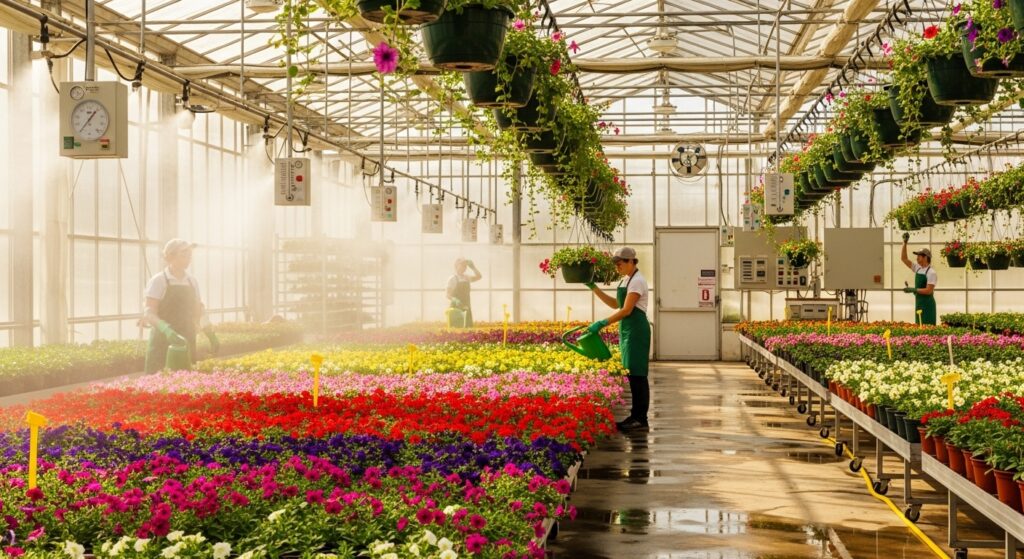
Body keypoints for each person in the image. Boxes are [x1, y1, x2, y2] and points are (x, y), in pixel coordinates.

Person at [586, 247, 651, 431]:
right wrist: (594, 288)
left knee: (638, 374)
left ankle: (640, 418)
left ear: (631, 261)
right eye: (615, 263)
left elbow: (626, 310)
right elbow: (616, 304)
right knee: (632, 373)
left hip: (636, 331)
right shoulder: (626, 280)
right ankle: (636, 416)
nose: (617, 267)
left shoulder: (637, 281)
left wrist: (601, 323)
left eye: (620, 263)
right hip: (628, 330)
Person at [143, 239, 218, 373]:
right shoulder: (159, 281)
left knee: (185, 384)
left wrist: (210, 333)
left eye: (189, 255)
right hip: (162, 341)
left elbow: (199, 310)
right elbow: (149, 312)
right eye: (183, 254)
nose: (188, 258)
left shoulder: (191, 281)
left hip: (187, 339)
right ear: (170, 256)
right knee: (160, 383)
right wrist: (166, 330)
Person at [900, 233, 937, 325]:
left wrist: (914, 289)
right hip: (919, 302)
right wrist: (905, 243)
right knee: (919, 326)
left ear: (925, 257)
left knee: (927, 328)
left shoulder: (931, 272)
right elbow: (904, 259)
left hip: (927, 304)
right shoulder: (918, 268)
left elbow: (929, 290)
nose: (917, 258)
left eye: (919, 256)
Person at [446, 258, 482, 328]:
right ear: (456, 266)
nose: (464, 268)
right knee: (456, 329)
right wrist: (455, 300)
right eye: (462, 265)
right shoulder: (452, 279)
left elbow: (479, 276)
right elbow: (447, 294)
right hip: (456, 308)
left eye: (465, 266)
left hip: (466, 307)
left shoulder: (467, 277)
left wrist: (473, 267)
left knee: (467, 329)